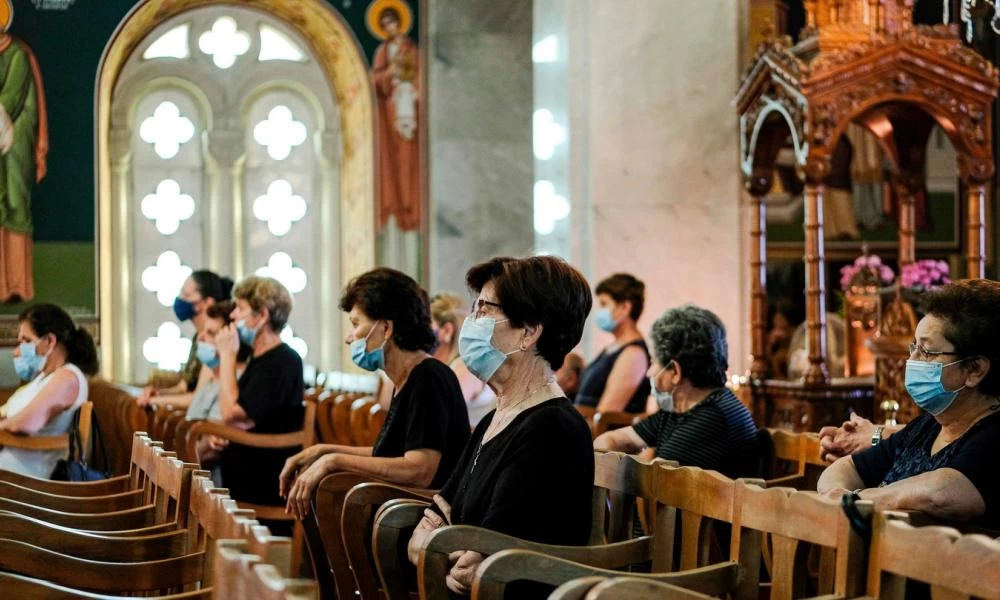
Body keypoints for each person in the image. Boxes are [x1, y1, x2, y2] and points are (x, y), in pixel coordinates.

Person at [407, 256, 595, 595]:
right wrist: (444, 543)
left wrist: (441, 545)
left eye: (484, 310)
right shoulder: (497, 417)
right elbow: (430, 525)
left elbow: (484, 565)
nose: (472, 322)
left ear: (529, 331)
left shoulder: (551, 429)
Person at [281, 269, 471, 519]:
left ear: (385, 327)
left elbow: (419, 469)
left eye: (356, 324)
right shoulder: (406, 378)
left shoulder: (429, 377)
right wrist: (324, 451)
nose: (350, 338)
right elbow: (389, 456)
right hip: (400, 509)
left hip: (422, 519)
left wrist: (334, 461)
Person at [817, 280, 1000, 528]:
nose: (911, 360)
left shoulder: (992, 435)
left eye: (926, 351)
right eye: (915, 346)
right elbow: (845, 468)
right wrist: (839, 498)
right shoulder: (926, 427)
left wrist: (857, 501)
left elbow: (944, 492)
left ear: (974, 369)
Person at [593, 305, 759, 480]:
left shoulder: (714, 417)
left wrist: (640, 459)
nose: (649, 372)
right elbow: (607, 440)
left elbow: (653, 483)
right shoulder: (679, 410)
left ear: (675, 372)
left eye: (654, 361)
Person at [213, 276, 304, 509]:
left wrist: (227, 355)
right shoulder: (259, 358)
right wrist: (225, 432)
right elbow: (240, 418)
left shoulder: (282, 361)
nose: (233, 316)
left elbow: (231, 413)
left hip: (263, 481)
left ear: (262, 316)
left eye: (240, 309)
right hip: (243, 474)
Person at [0, 304, 98, 478]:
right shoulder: (44, 376)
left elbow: (27, 423)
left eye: (27, 341)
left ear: (50, 341)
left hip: (29, 476)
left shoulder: (67, 377)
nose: (18, 350)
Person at [137, 270, 234, 408]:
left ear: (207, 302)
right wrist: (159, 393)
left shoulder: (219, 339)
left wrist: (154, 402)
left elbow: (198, 397)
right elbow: (184, 387)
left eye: (186, 295)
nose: (180, 299)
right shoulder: (198, 338)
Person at [575, 274, 651, 413]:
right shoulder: (612, 348)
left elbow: (605, 416)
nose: (599, 311)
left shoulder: (634, 355)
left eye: (604, 304)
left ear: (624, 308)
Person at [431, 292, 496, 425]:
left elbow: (438, 418)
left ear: (447, 330)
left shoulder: (464, 367)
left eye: (427, 324)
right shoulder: (443, 367)